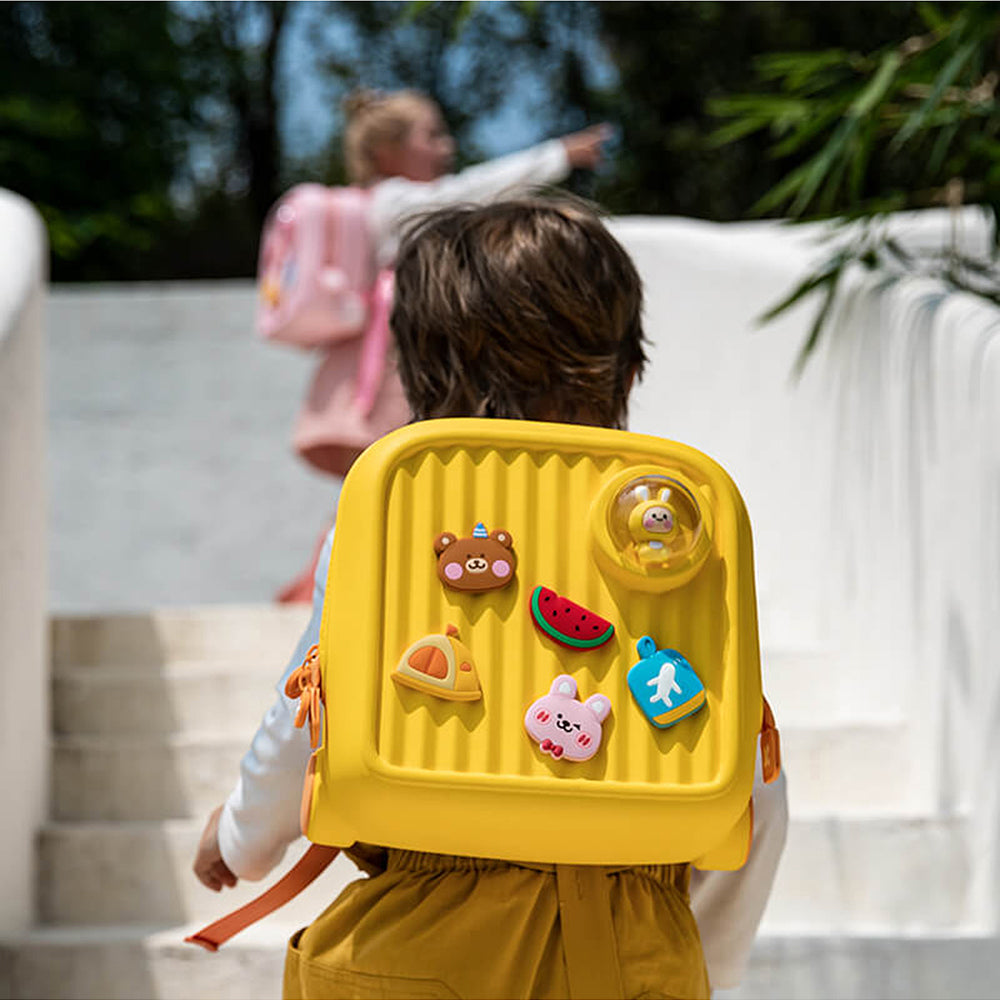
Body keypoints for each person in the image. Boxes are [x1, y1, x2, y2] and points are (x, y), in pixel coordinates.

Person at [199, 199, 789, 998]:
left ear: (411, 381)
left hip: (414, 940)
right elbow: (747, 780)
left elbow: (312, 702)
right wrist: (703, 958)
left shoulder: (395, 514)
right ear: (631, 372)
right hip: (634, 947)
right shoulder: (673, 523)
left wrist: (240, 837)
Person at [276, 89, 610, 602]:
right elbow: (473, 190)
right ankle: (329, 579)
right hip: (388, 363)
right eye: (431, 135)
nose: (447, 147)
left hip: (379, 357)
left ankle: (333, 576)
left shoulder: (383, 202)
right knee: (389, 474)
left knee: (383, 482)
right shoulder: (394, 202)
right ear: (388, 151)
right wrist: (556, 157)